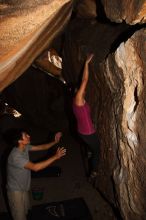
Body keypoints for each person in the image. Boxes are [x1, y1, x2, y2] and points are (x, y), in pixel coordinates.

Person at [6, 129, 66, 220]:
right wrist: (55, 157)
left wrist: (55, 141)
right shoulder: (15, 156)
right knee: (19, 217)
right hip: (15, 191)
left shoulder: (24, 147)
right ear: (20, 141)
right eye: (26, 135)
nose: (29, 135)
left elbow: (42, 147)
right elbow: (35, 167)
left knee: (25, 211)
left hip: (23, 187)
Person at [72, 54, 100, 184]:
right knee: (97, 150)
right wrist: (86, 64)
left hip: (81, 132)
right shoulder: (78, 99)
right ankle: (94, 171)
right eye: (81, 90)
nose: (84, 90)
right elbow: (84, 80)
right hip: (88, 133)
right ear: (78, 92)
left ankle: (88, 151)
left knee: (90, 146)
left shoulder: (78, 101)